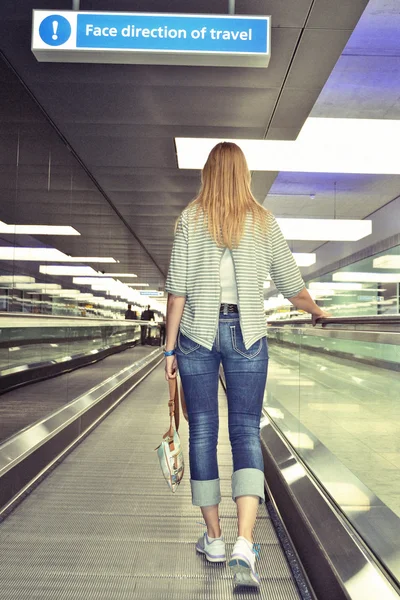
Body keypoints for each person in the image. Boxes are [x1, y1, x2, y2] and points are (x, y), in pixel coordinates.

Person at [164, 142, 329, 589]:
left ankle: (214, 538)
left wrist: (168, 350)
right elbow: (292, 286)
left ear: (207, 173)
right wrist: (317, 310)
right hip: (247, 333)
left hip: (196, 334)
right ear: (243, 173)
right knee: (244, 430)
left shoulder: (189, 220)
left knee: (201, 428)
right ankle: (245, 542)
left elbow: (176, 293)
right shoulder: (262, 221)